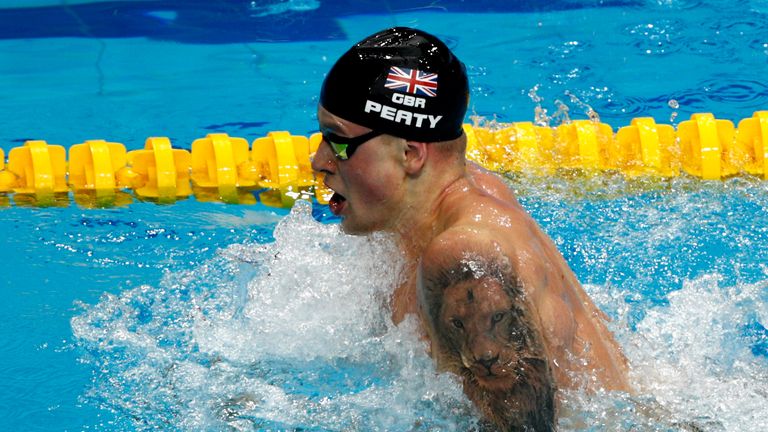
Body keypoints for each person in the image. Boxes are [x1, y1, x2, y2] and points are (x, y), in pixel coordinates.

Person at [310, 27, 631, 429]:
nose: (319, 160)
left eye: (338, 142)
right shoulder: (454, 196)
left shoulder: (463, 255)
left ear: (410, 154)